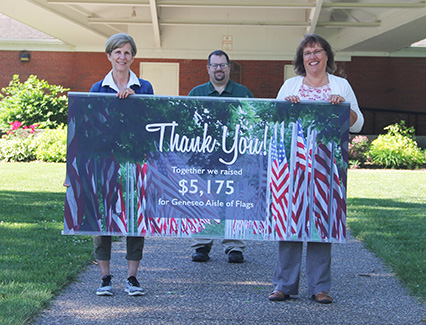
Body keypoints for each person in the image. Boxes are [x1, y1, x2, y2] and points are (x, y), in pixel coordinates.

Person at [269, 34, 364, 304]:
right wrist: (285, 106)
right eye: (308, 52)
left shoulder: (341, 85)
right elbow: (277, 122)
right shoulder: (291, 84)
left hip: (328, 165)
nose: (312, 56)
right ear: (302, 58)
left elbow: (357, 123)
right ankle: (283, 285)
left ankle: (319, 287)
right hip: (293, 164)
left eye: (318, 51)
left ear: (326, 56)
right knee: (291, 221)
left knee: (322, 222)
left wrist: (343, 108)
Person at [90, 33, 154, 296]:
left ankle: (132, 278)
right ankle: (105, 277)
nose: (122, 57)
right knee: (103, 218)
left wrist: (134, 102)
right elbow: (90, 128)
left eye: (127, 52)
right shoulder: (97, 88)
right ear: (109, 56)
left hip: (135, 163)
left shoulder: (145, 87)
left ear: (133, 57)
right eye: (117, 52)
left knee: (134, 217)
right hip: (105, 162)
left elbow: (151, 125)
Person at [188, 50, 254, 263]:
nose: (218, 68)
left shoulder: (243, 93)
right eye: (214, 65)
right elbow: (186, 126)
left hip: (235, 156)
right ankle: (201, 245)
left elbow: (253, 124)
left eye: (223, 65)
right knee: (202, 198)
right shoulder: (196, 93)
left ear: (229, 67)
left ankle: (234, 246)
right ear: (208, 68)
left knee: (235, 200)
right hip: (203, 157)